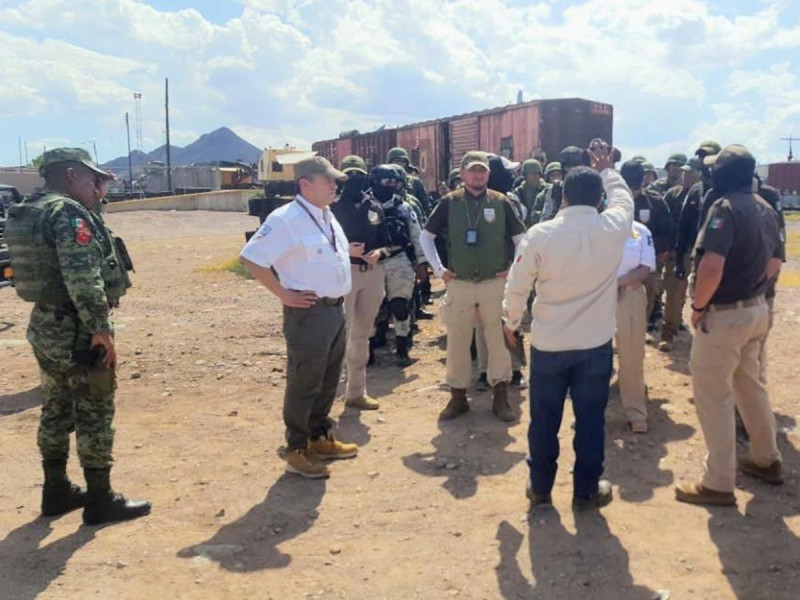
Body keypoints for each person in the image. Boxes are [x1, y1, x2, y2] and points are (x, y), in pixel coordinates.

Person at [5, 148, 150, 525]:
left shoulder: (30, 210)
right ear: (70, 175)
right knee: (94, 410)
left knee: (54, 408)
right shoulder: (68, 213)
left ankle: (55, 492)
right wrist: (100, 329)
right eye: (90, 178)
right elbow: (83, 276)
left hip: (46, 326)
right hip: (79, 330)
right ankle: (100, 499)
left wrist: (96, 195)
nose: (95, 186)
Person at [503, 143, 633, 509]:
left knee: (544, 419)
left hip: (549, 345)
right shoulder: (613, 227)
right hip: (595, 346)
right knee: (590, 420)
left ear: (562, 197)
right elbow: (624, 199)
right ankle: (586, 491)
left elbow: (517, 286)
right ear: (598, 199)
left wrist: (510, 322)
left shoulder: (541, 234)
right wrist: (608, 170)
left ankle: (540, 488)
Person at [675, 145, 784, 507]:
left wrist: (698, 306)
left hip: (724, 315)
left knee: (714, 396)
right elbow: (774, 264)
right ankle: (766, 459)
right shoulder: (765, 207)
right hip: (755, 310)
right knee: (750, 386)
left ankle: (718, 482)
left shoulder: (724, 208)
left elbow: (711, 267)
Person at [240, 156, 359, 479]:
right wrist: (282, 293)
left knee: (328, 378)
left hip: (334, 309)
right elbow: (252, 258)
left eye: (336, 180)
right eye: (328, 180)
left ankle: (319, 437)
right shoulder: (286, 219)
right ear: (305, 184)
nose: (335, 185)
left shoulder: (326, 215)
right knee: (305, 381)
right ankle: (297, 448)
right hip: (308, 313)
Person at [420, 151, 526, 422]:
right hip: (460, 283)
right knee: (457, 341)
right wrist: (440, 270)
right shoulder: (450, 202)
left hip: (493, 282)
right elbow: (426, 237)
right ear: (463, 174)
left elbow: (521, 238)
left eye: (483, 171)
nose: (478, 175)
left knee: (498, 339)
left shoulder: (501, 202)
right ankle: (458, 397)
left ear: (488, 174)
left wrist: (513, 268)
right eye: (472, 171)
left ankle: (500, 397)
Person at [331, 155, 388, 410]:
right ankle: (330, 395)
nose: (354, 180)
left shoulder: (374, 206)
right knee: (341, 335)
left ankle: (356, 392)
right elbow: (320, 247)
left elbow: (388, 240)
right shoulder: (331, 210)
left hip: (372, 273)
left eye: (358, 175)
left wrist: (380, 253)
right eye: (349, 175)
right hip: (345, 274)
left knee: (363, 335)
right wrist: (346, 252)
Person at [367, 164, 428, 367]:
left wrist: (421, 263)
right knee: (370, 307)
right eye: (387, 181)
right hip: (370, 262)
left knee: (400, 306)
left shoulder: (404, 207)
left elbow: (416, 234)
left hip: (398, 259)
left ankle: (402, 347)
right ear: (375, 182)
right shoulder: (363, 206)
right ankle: (368, 348)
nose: (391, 185)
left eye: (395, 181)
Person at [620, 160, 675, 331]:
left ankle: (639, 330)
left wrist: (650, 252)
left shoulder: (654, 202)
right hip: (618, 264)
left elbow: (668, 233)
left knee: (646, 299)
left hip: (647, 265)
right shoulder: (612, 202)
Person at [615, 221, 656, 433]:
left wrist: (616, 284)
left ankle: (636, 412)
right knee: (592, 356)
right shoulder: (595, 226)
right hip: (596, 298)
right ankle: (590, 412)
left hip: (629, 295)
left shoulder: (640, 232)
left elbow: (645, 268)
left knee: (631, 355)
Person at [658, 158, 701, 351]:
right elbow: (663, 223)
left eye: (690, 173)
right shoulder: (672, 194)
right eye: (684, 172)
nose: (684, 176)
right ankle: (668, 334)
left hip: (701, 251)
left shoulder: (705, 193)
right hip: (678, 250)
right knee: (674, 292)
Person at [387, 146, 431, 216]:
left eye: (402, 162)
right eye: (396, 161)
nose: (399, 164)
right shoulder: (383, 182)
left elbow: (425, 206)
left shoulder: (415, 182)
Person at [511, 159, 547, 227]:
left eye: (537, 173)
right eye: (532, 173)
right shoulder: (519, 192)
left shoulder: (546, 190)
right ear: (525, 175)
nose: (535, 176)